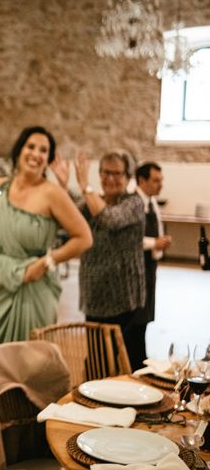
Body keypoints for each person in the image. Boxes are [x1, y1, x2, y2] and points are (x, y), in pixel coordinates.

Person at [0, 127, 92, 361]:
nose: (36, 153)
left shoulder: (52, 194)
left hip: (35, 284)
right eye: (31, 146)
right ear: (19, 150)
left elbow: (84, 237)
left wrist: (47, 262)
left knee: (27, 362)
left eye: (44, 150)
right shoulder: (0, 188)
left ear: (48, 159)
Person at [73, 151, 146, 370]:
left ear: (127, 177)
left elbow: (110, 219)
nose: (110, 178)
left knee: (127, 364)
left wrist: (85, 186)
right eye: (105, 172)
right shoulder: (91, 203)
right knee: (97, 363)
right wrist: (60, 185)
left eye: (117, 173)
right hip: (95, 297)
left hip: (124, 300)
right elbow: (68, 219)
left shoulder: (133, 203)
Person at [134, 162, 172, 364]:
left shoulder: (151, 202)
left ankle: (140, 353)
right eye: (156, 180)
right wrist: (154, 243)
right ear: (142, 180)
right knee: (137, 315)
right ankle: (136, 356)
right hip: (136, 266)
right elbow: (129, 239)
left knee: (147, 312)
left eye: (161, 180)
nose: (160, 185)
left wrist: (160, 241)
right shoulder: (133, 203)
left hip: (150, 266)